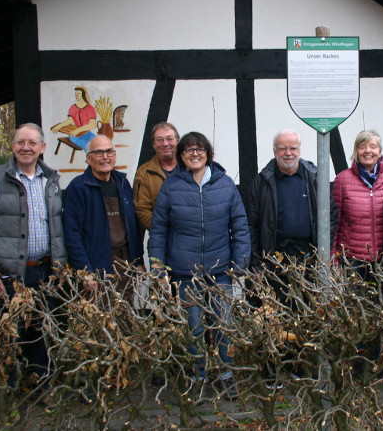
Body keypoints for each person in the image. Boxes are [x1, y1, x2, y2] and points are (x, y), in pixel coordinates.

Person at [148, 132, 250, 396]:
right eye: (189, 149)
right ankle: (198, 376)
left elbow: (240, 227)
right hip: (185, 272)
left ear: (208, 153)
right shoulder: (171, 186)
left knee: (224, 327)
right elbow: (158, 229)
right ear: (181, 156)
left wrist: (240, 266)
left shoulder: (225, 184)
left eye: (200, 149)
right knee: (194, 329)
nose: (194, 153)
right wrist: (158, 267)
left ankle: (226, 375)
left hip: (220, 271)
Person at [0, 123, 67, 382]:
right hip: (10, 272)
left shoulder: (51, 182)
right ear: (12, 146)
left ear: (42, 148)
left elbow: (58, 227)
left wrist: (60, 265)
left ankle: (40, 384)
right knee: (11, 332)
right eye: (21, 142)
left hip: (44, 269)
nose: (26, 147)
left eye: (32, 143)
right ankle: (10, 389)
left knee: (41, 329)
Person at [247, 129, 337, 384]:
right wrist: (256, 262)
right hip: (273, 259)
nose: (288, 153)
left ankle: (298, 366)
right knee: (271, 314)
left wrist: (323, 255)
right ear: (274, 151)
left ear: (300, 149)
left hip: (308, 258)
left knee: (303, 313)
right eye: (282, 148)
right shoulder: (262, 181)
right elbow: (252, 224)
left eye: (293, 148)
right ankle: (271, 368)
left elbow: (330, 216)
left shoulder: (315, 176)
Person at [63, 135, 142, 284]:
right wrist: (85, 270)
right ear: (88, 158)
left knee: (125, 307)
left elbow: (133, 226)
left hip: (124, 264)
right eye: (99, 153)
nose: (105, 157)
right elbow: (72, 234)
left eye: (109, 152)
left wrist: (137, 262)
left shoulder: (122, 183)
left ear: (115, 156)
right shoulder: (79, 187)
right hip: (96, 266)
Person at [333, 129, 383, 266]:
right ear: (356, 151)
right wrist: (333, 257)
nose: (367, 151)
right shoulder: (342, 180)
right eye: (362, 147)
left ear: (379, 151)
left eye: (373, 146)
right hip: (353, 259)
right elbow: (335, 221)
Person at [133, 122, 180, 232]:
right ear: (154, 144)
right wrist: (166, 231)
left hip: (191, 238)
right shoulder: (144, 173)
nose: (165, 143)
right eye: (159, 140)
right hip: (162, 240)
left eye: (169, 139)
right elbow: (142, 210)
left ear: (177, 141)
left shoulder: (190, 167)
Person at [50, 86, 98, 151]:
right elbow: (69, 121)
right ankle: (92, 160)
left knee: (99, 144)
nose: (76, 95)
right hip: (74, 135)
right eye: (75, 94)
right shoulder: (73, 108)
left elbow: (92, 125)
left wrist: (78, 130)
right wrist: (58, 127)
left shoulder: (90, 108)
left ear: (83, 95)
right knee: (88, 147)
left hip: (87, 133)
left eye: (78, 94)